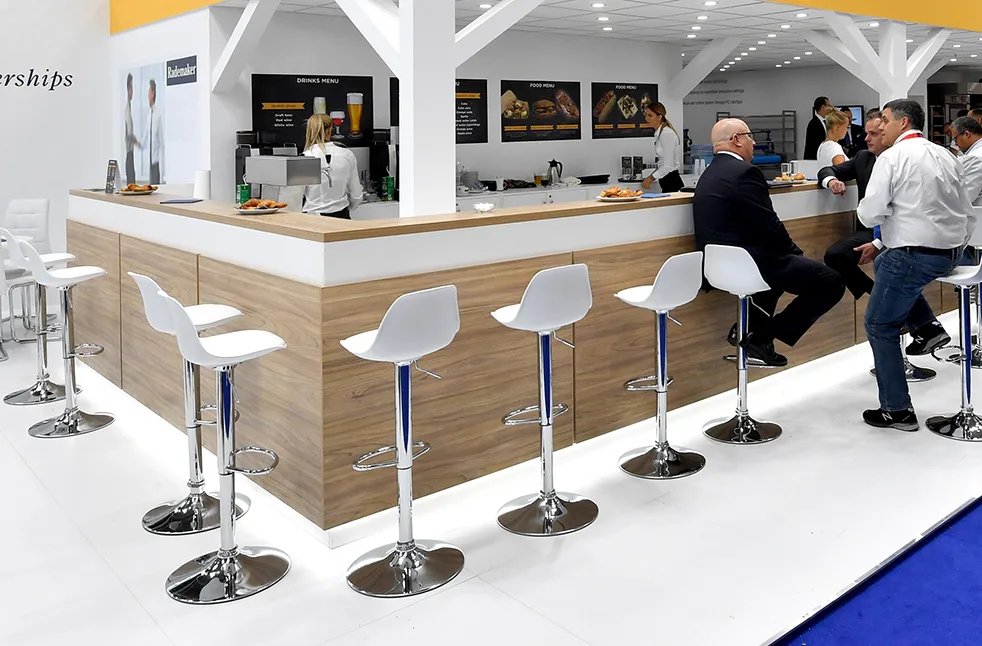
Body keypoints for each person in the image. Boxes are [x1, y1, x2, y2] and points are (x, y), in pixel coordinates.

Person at [857, 99, 976, 431]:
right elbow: (966, 210)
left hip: (916, 254)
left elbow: (869, 213)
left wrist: (889, 214)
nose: (880, 126)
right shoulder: (946, 154)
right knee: (884, 260)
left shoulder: (892, 157)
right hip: (953, 252)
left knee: (879, 324)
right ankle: (927, 327)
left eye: (884, 120)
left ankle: (897, 410)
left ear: (903, 123)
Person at [693, 118, 845, 367]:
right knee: (832, 283)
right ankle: (762, 336)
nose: (753, 143)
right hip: (752, 265)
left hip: (715, 267)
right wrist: (795, 252)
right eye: (749, 136)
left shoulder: (708, 174)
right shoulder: (745, 172)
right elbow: (768, 224)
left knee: (774, 282)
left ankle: (747, 329)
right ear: (736, 140)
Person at [820, 110, 951, 354]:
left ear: (888, 133)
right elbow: (829, 171)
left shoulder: (903, 158)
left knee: (888, 262)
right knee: (836, 255)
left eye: (874, 133)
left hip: (902, 234)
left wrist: (879, 243)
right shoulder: (863, 158)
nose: (867, 138)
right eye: (866, 133)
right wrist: (830, 181)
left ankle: (916, 320)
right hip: (873, 229)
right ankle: (881, 297)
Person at [302, 113, 363, 219]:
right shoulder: (347, 155)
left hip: (312, 219)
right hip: (341, 217)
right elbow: (356, 195)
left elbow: (295, 197)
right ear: (330, 130)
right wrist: (345, 209)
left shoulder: (304, 158)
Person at [641, 102, 683, 193]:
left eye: (650, 115)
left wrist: (651, 178)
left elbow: (668, 165)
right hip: (666, 182)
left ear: (659, 117)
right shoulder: (660, 133)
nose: (646, 118)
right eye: (646, 115)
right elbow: (662, 162)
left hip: (672, 182)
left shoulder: (667, 134)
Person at [951, 115, 982, 205]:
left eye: (955, 139)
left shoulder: (976, 158)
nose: (955, 144)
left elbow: (965, 197)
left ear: (967, 134)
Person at [123, 73, 141, 185]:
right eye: (131, 88)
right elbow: (129, 133)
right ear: (128, 89)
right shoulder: (127, 109)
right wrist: (137, 142)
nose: (132, 91)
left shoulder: (128, 107)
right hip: (129, 155)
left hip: (130, 155)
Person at [146, 79, 163, 184]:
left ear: (152, 93)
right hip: (149, 161)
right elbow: (146, 137)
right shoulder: (148, 116)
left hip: (156, 162)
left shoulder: (158, 115)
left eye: (149, 92)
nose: (147, 95)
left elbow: (161, 142)